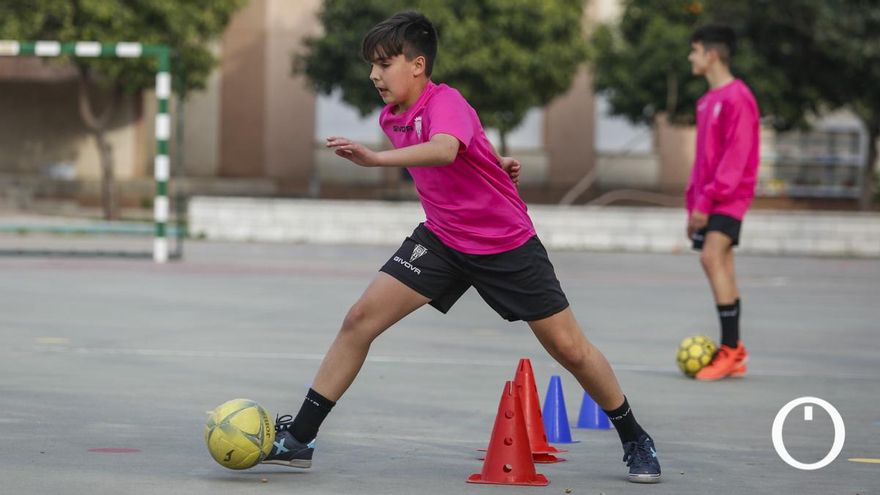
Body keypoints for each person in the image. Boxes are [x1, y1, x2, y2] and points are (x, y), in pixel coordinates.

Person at [262, 11, 661, 483]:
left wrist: (376, 159)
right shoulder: (392, 116)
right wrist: (496, 159)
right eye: (371, 65)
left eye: (385, 64)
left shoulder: (443, 99)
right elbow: (469, 142)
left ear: (418, 65)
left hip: (505, 243)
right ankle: (300, 438)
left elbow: (448, 146)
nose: (374, 75)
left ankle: (635, 436)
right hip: (442, 239)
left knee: (570, 350)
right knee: (358, 320)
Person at [685, 25, 760, 381]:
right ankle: (735, 351)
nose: (690, 57)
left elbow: (736, 155)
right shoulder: (706, 102)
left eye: (694, 50)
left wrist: (709, 200)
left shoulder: (738, 96)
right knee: (722, 264)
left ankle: (730, 349)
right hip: (709, 197)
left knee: (711, 257)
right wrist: (693, 204)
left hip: (730, 195)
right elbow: (702, 161)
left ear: (711, 54)